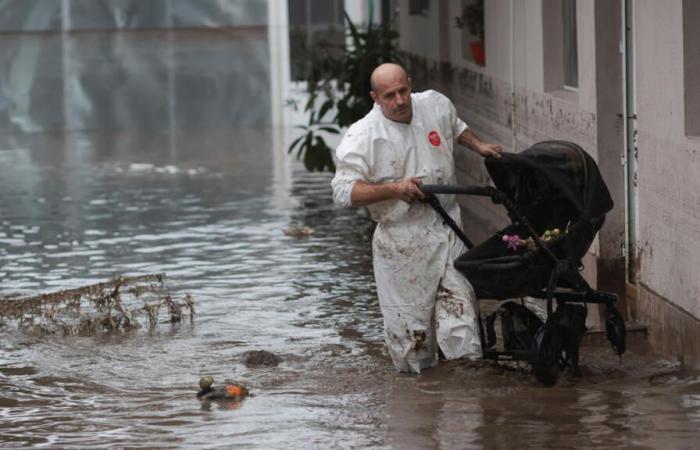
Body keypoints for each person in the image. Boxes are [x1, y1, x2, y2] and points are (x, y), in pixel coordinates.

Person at [331, 63, 502, 373]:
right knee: (412, 339)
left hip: (447, 227)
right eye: (389, 96)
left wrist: (480, 147)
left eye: (403, 91)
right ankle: (417, 400)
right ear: (375, 97)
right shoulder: (363, 135)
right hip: (402, 243)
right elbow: (343, 191)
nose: (399, 100)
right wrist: (395, 189)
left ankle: (464, 401)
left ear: (410, 84)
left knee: (460, 319)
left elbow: (455, 126)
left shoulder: (434, 104)